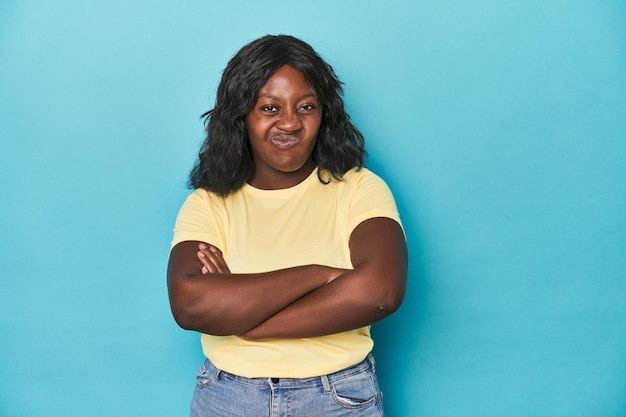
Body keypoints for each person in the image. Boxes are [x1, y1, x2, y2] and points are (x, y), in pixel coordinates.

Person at [167, 34, 408, 417]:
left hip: (337, 397)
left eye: (306, 106)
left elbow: (380, 291)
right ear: (241, 116)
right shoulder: (209, 204)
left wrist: (245, 319)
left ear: (324, 113)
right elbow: (191, 305)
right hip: (228, 398)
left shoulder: (359, 189)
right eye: (269, 108)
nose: (291, 123)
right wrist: (320, 274)